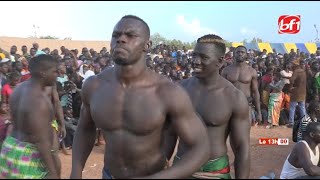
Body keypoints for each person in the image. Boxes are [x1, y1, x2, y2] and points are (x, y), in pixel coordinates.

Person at [71, 15, 210, 179]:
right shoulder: (94, 86)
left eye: (130, 35)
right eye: (116, 35)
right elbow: (85, 128)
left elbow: (201, 148)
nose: (121, 39)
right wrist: (76, 172)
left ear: (147, 45)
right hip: (110, 175)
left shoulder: (167, 92)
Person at [176, 34, 250, 179]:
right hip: (180, 170)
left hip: (215, 172)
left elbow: (242, 147)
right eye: (195, 55)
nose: (196, 61)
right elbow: (168, 135)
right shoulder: (179, 89)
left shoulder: (234, 97)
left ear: (220, 61)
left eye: (203, 57)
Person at [0, 54, 60, 179]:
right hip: (27, 159)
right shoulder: (39, 100)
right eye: (55, 71)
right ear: (43, 73)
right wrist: (53, 172)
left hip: (10, 148)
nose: (57, 74)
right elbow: (40, 141)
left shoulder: (18, 88)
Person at [222, 45, 262, 126]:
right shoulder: (226, 70)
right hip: (229, 105)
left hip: (246, 105)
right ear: (234, 54)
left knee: (244, 133)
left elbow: (255, 92)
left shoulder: (251, 71)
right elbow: (221, 90)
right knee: (227, 133)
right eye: (238, 52)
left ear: (246, 55)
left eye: (242, 52)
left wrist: (259, 112)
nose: (240, 54)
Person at [288, 60, 307, 127]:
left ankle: (291, 123)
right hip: (303, 91)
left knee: (292, 107)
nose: (291, 66)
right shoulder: (303, 71)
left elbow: (292, 80)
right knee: (302, 107)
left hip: (296, 92)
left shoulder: (296, 71)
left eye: (293, 64)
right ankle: (305, 122)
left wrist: (290, 87)